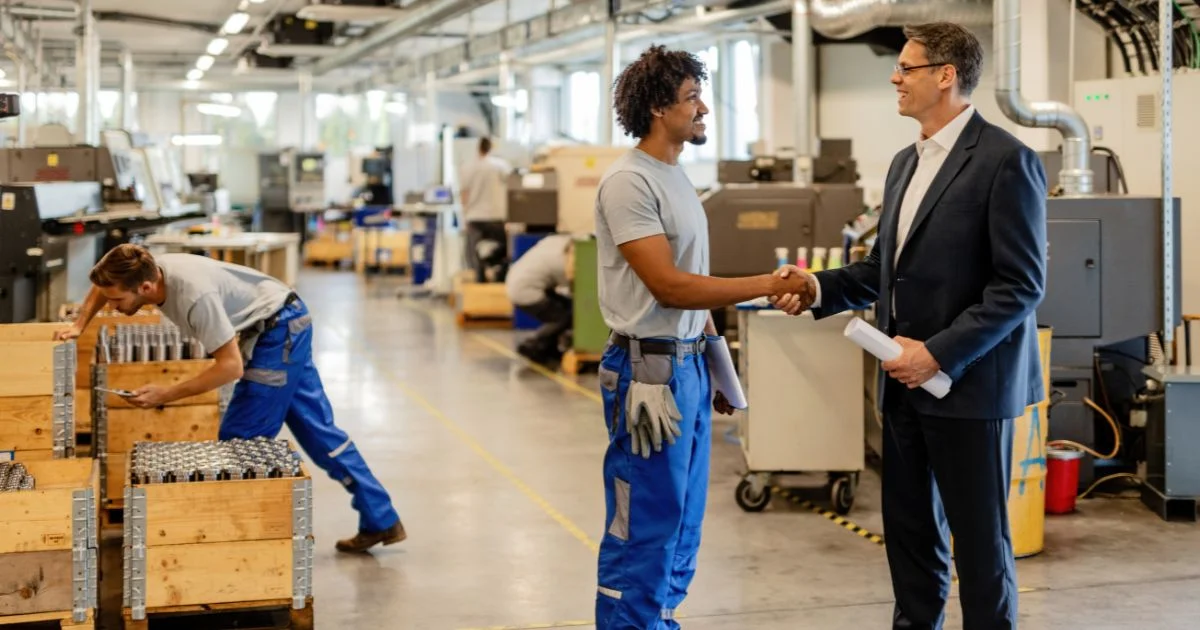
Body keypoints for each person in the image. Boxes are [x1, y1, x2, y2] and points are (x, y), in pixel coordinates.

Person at [770, 22, 1047, 630]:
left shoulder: (1006, 161)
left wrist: (940, 354)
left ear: (946, 75)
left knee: (980, 545)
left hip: (968, 388)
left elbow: (1020, 285)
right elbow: (883, 269)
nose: (894, 78)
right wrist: (817, 288)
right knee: (910, 537)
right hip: (901, 389)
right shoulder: (903, 163)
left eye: (907, 67)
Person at [593, 44, 815, 628]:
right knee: (644, 521)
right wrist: (770, 283)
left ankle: (660, 619)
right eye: (692, 99)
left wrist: (718, 369)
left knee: (684, 520)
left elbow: (697, 286)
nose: (703, 110)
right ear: (658, 107)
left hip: (685, 368)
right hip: (649, 375)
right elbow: (670, 287)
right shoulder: (628, 183)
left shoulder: (675, 177)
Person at [57, 245, 406, 554]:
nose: (113, 308)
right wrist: (79, 326)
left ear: (146, 288)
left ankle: (243, 552)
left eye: (118, 302)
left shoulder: (194, 298)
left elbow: (230, 367)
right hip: (283, 319)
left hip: (277, 330)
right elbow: (102, 287)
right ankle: (381, 518)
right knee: (317, 431)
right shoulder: (139, 269)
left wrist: (167, 393)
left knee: (240, 441)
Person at [505, 233, 575, 365]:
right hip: (525, 291)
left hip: (516, 282)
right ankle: (533, 344)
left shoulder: (554, 241)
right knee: (562, 317)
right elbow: (575, 289)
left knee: (564, 306)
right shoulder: (561, 262)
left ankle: (551, 350)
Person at [459, 136, 513, 283]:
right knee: (501, 251)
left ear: (478, 148)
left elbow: (464, 194)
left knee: (474, 255)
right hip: (496, 216)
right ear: (491, 148)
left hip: (475, 217)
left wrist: (464, 216)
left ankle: (479, 280)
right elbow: (512, 188)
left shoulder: (469, 167)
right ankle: (499, 278)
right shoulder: (501, 166)